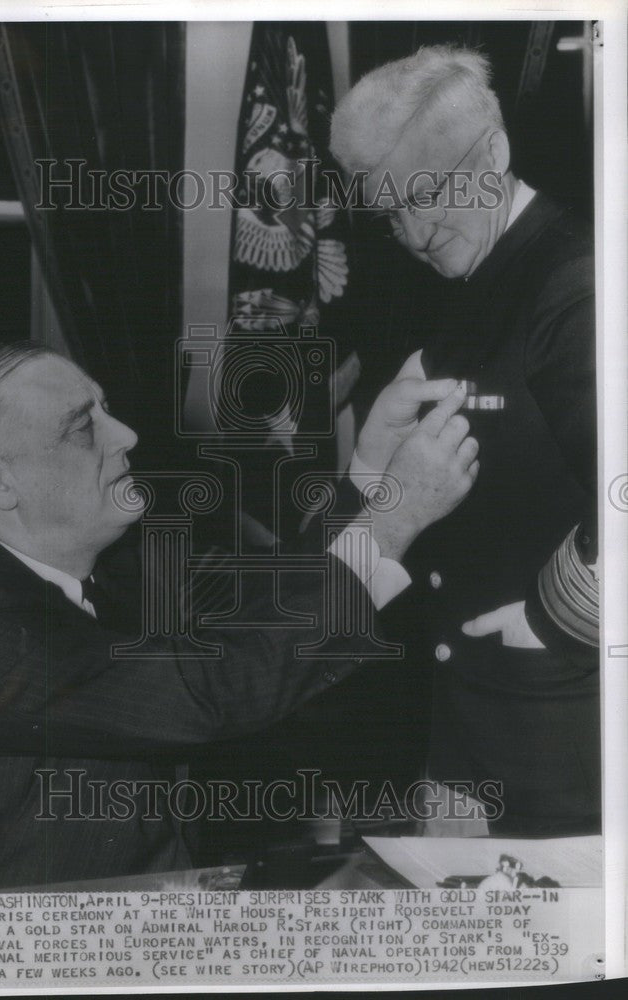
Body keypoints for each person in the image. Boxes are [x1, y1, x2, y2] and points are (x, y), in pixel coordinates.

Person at [0, 341, 478, 892]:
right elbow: (209, 691)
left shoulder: (117, 570)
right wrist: (393, 520)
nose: (127, 435)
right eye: (84, 427)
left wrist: (373, 466)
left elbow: (278, 604)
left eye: (106, 409)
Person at [330, 44, 599, 835]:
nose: (413, 232)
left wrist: (552, 621)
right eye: (387, 212)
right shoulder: (473, 279)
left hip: (571, 741)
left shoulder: (575, 287)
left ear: (496, 151)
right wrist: (370, 470)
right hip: (477, 736)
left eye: (430, 193)